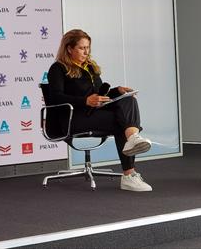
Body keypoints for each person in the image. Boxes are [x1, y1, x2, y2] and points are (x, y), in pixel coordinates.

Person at [47, 29, 153, 192]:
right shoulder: (58, 68)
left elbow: (100, 95)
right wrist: (85, 101)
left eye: (88, 47)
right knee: (121, 123)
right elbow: (55, 98)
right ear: (69, 48)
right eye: (82, 48)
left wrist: (118, 91)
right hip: (74, 118)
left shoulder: (90, 67)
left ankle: (132, 139)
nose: (86, 51)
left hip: (94, 113)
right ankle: (129, 173)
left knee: (128, 100)